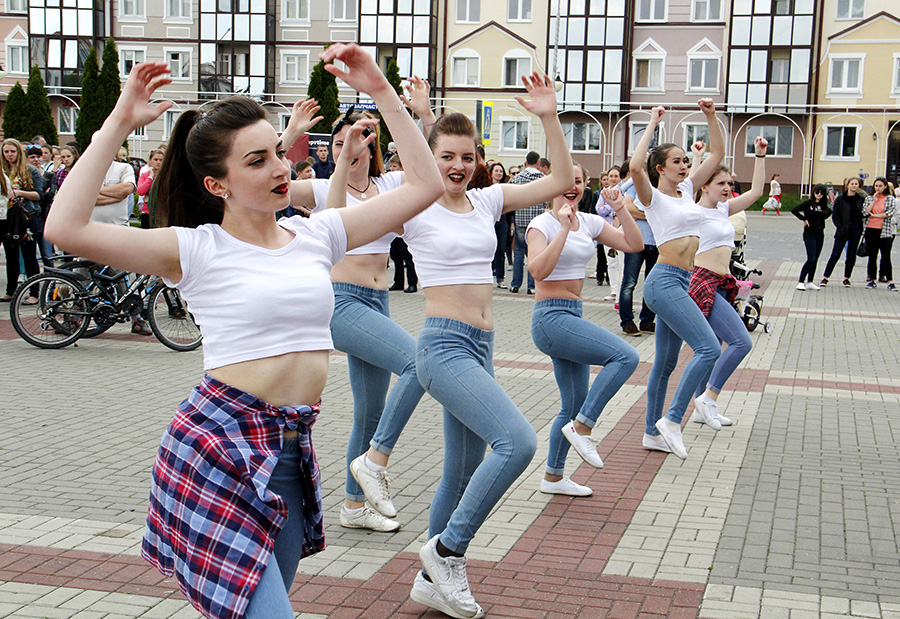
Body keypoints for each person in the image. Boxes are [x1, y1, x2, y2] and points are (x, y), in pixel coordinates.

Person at [44, 47, 442, 619]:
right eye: (257, 161)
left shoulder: (316, 235)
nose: (281, 168)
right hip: (218, 448)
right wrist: (116, 124)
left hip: (287, 452)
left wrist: (382, 89)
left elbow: (423, 186)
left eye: (278, 152)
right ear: (218, 184)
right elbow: (64, 227)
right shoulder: (197, 249)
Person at [396, 74, 573, 618]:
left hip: (482, 346)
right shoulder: (416, 203)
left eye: (467, 156)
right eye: (446, 155)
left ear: (478, 159)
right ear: (430, 157)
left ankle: (431, 579)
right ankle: (447, 550)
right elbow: (412, 149)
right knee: (517, 444)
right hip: (443, 346)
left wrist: (548, 115)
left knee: (462, 468)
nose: (457, 165)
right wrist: (405, 110)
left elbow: (561, 179)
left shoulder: (485, 200)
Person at [278, 73, 437, 534]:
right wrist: (288, 137)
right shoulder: (323, 187)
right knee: (418, 363)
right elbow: (266, 184)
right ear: (336, 143)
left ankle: (352, 506)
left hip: (379, 301)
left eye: (367, 134)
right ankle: (374, 461)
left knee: (369, 408)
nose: (359, 141)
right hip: (342, 303)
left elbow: (428, 164)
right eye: (349, 134)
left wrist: (421, 113)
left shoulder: (391, 188)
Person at [528, 173, 642, 497]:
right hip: (551, 318)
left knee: (572, 405)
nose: (572, 185)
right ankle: (584, 427)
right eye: (566, 179)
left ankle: (553, 477)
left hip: (572, 315)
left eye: (577, 180)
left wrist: (620, 208)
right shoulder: (543, 225)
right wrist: (563, 228)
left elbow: (634, 244)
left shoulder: (590, 222)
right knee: (625, 356)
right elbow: (537, 270)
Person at [631, 100, 724, 460]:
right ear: (661, 168)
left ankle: (652, 432)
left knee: (666, 364)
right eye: (677, 162)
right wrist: (653, 122)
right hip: (664, 282)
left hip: (682, 282)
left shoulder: (687, 191)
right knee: (708, 348)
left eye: (687, 161)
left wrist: (711, 117)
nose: (685, 166)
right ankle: (672, 420)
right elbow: (636, 165)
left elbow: (716, 155)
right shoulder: (651, 197)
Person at [688, 137, 768, 429]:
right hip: (701, 282)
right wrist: (696, 160)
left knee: (710, 348)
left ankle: (700, 407)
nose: (726, 188)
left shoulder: (723, 209)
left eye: (728, 183)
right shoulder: (693, 211)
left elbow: (757, 191)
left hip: (721, 282)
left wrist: (759, 156)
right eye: (720, 183)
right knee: (741, 341)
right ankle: (708, 397)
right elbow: (687, 187)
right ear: (705, 186)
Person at [617, 158, 658, 336]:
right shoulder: (636, 185)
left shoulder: (661, 187)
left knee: (652, 283)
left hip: (657, 242)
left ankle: (647, 321)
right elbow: (628, 207)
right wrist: (650, 216)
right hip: (637, 240)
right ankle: (627, 321)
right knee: (629, 282)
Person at [0, 139, 44, 303]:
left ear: (19, 152)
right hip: (6, 216)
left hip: (26, 215)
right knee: (10, 254)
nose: (9, 155)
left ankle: (34, 293)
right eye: (6, 152)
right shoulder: (2, 170)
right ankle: (10, 291)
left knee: (29, 255)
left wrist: (19, 192)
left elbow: (39, 194)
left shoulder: (30, 170)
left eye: (12, 151)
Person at [510, 151, 546, 294]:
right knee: (533, 254)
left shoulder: (518, 177)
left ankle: (515, 284)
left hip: (521, 219)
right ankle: (531, 286)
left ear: (526, 163)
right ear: (538, 163)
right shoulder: (543, 178)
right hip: (536, 221)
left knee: (518, 253)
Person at [821, 177, 865, 287]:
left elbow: (863, 213)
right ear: (847, 185)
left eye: (856, 184)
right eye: (852, 183)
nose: (854, 186)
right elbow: (835, 215)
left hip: (856, 229)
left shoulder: (860, 199)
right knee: (835, 254)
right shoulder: (840, 199)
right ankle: (826, 277)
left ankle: (847, 278)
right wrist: (840, 227)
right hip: (842, 229)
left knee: (851, 254)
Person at [791, 184, 832, 290]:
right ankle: (801, 281)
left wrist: (831, 206)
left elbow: (827, 214)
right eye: (817, 192)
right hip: (809, 234)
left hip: (820, 234)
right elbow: (794, 210)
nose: (819, 194)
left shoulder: (824, 206)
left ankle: (810, 281)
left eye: (821, 192)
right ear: (813, 192)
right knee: (811, 258)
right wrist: (804, 219)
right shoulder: (807, 204)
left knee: (815, 259)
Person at [862, 177, 897, 290]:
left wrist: (875, 215)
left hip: (884, 231)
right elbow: (865, 212)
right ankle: (872, 280)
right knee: (872, 256)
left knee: (886, 256)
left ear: (885, 186)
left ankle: (890, 281)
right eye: (876, 186)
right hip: (871, 229)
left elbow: (889, 213)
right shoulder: (869, 198)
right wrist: (874, 200)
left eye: (880, 186)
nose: (878, 188)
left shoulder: (890, 199)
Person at [137, 149, 164, 229]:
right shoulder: (145, 175)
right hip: (147, 212)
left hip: (161, 212)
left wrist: (151, 198)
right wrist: (150, 177)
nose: (158, 162)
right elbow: (141, 191)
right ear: (150, 161)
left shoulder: (165, 176)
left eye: (161, 160)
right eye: (155, 159)